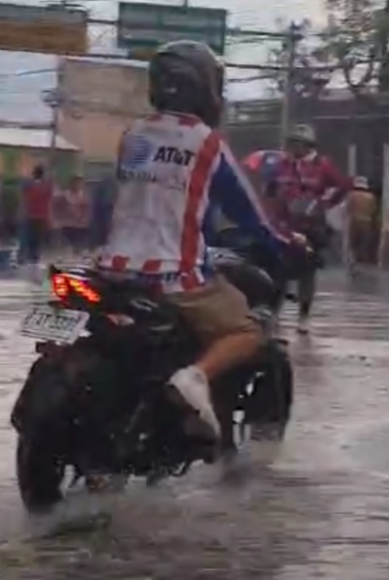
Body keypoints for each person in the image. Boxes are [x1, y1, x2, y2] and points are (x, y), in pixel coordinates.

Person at [104, 40, 304, 444]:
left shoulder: (133, 134)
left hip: (112, 269)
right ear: (206, 87)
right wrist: (285, 244)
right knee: (248, 332)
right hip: (174, 274)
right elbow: (250, 212)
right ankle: (195, 377)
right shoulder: (206, 142)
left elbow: (156, 195)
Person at [268, 123, 354, 334]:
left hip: (311, 227)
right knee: (279, 271)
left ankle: (304, 317)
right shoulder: (281, 165)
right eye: (291, 143)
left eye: (298, 143)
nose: (293, 147)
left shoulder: (323, 165)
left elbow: (341, 187)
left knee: (307, 272)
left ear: (308, 145)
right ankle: (274, 315)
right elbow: (270, 190)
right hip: (283, 226)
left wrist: (321, 203)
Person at [21, 165, 53, 264]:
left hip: (29, 215)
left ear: (34, 174)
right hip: (41, 216)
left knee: (29, 239)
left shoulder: (28, 185)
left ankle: (28, 258)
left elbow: (24, 197)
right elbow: (50, 198)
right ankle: (35, 259)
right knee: (37, 240)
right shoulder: (46, 186)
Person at [345, 176, 378, 268]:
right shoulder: (371, 197)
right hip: (367, 221)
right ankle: (363, 262)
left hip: (354, 221)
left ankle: (355, 261)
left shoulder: (351, 195)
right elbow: (373, 211)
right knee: (364, 243)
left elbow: (348, 210)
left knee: (354, 243)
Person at [60, 175, 91, 255]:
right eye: (76, 183)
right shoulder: (65, 195)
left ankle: (77, 257)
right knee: (68, 246)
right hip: (68, 224)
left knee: (79, 246)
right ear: (71, 184)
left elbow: (88, 209)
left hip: (81, 225)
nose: (78, 185)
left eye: (80, 184)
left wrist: (85, 219)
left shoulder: (85, 195)